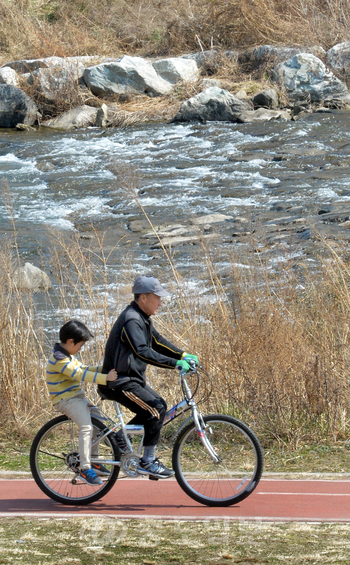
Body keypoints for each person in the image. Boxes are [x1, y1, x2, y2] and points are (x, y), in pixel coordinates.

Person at [99, 275, 198, 479]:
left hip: (131, 380)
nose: (160, 302)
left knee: (157, 407)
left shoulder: (141, 318)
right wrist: (175, 364)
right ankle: (148, 461)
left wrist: (182, 355)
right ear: (143, 297)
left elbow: (157, 341)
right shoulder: (131, 320)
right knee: (156, 409)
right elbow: (143, 351)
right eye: (157, 298)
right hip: (118, 382)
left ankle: (118, 436)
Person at [46, 320, 118, 486]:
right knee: (86, 427)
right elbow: (79, 374)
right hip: (65, 400)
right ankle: (85, 469)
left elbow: (84, 369)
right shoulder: (59, 359)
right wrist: (104, 378)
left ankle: (93, 460)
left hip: (76, 397)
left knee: (98, 419)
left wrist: (103, 369)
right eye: (80, 345)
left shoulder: (67, 355)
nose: (81, 348)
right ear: (71, 341)